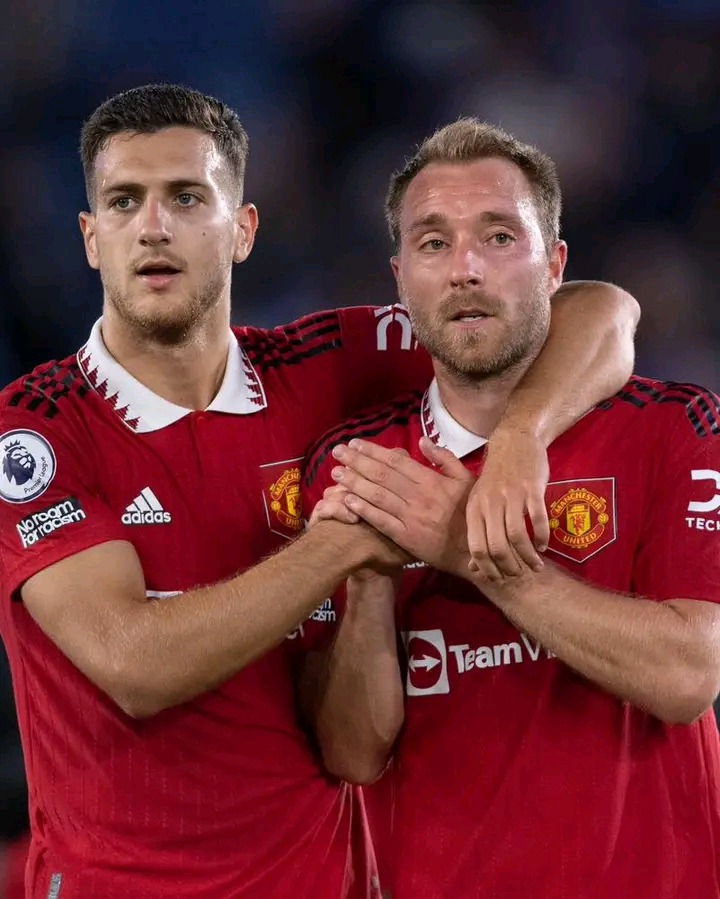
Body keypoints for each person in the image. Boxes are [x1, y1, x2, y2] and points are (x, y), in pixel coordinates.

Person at [0, 85, 638, 899]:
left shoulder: (323, 366)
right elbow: (134, 664)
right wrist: (342, 543)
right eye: (124, 201)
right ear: (92, 239)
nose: (153, 226)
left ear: (243, 230)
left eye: (187, 197)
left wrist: (522, 436)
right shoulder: (35, 430)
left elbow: (600, 311)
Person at [302, 119, 720, 899]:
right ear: (400, 278)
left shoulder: (675, 427)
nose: (465, 268)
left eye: (498, 237)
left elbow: (689, 673)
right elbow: (355, 753)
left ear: (555, 264)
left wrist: (474, 554)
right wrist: (365, 582)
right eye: (433, 243)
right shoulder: (355, 463)